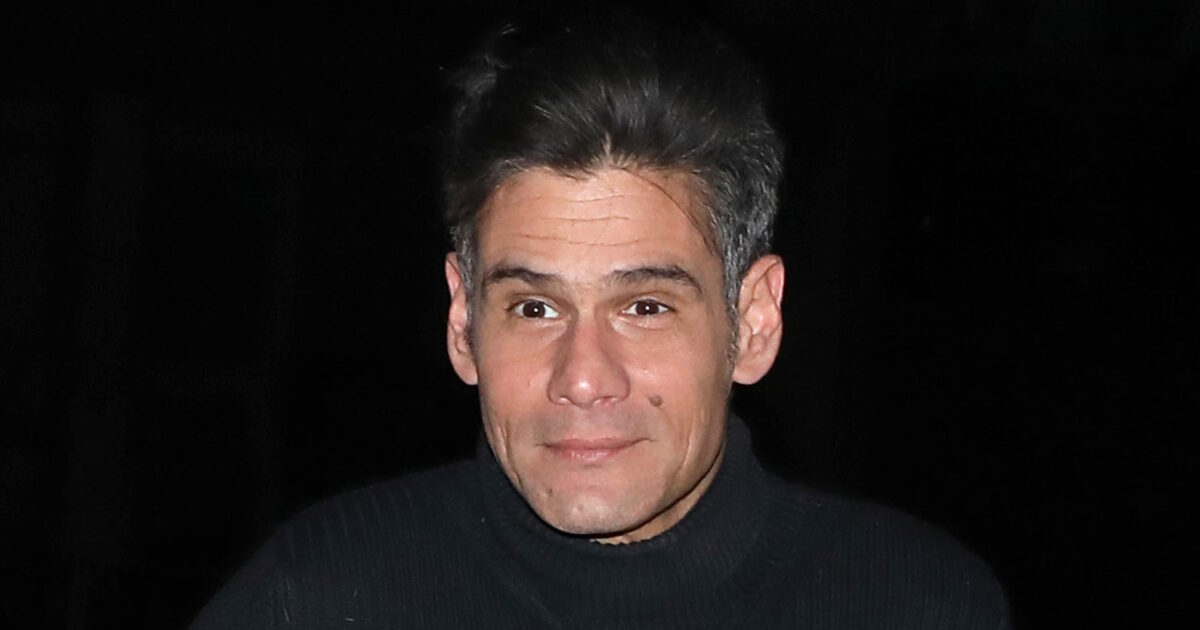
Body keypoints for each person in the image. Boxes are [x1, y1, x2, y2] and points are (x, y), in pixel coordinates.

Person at [192, 12, 1010, 629]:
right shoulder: (318, 594)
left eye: (646, 307)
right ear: (463, 321)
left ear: (753, 322)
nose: (582, 377)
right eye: (534, 307)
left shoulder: (914, 604)